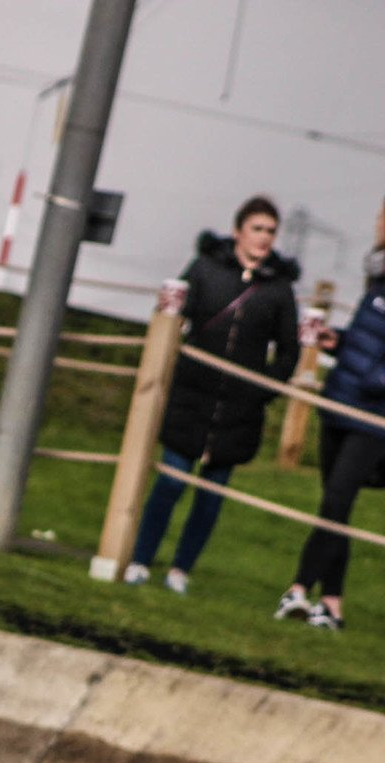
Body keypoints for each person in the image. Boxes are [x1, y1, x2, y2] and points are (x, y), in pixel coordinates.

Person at [125, 196, 300, 594]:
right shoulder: (206, 270)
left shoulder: (279, 290)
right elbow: (174, 317)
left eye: (271, 231)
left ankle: (181, 571)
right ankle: (140, 560)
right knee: (170, 483)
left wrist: (262, 390)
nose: (264, 238)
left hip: (238, 412)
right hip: (191, 398)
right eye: (257, 228)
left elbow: (289, 350)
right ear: (238, 231)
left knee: (210, 499)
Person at [275, 204, 385, 631]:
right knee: (333, 507)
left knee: (336, 501)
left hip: (373, 416)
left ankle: (299, 590)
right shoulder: (375, 278)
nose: (379, 223)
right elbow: (363, 343)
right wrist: (333, 340)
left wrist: (374, 381)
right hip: (340, 402)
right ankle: (333, 605)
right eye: (379, 216)